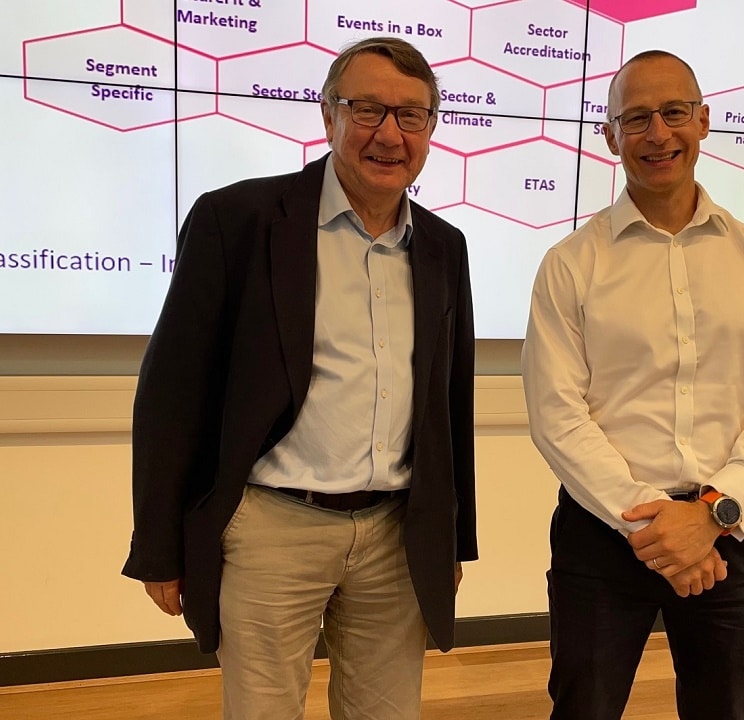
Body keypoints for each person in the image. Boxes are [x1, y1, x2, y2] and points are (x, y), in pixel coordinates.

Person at [121, 36, 477, 720]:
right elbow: (171, 395)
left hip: (395, 535)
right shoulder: (239, 221)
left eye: (411, 116)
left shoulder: (442, 246)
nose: (388, 134)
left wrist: (450, 539)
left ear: (431, 129)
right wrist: (159, 548)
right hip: (271, 527)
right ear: (328, 115)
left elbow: (446, 406)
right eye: (366, 109)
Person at [521, 50, 744, 720]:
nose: (658, 134)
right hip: (603, 534)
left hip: (729, 536)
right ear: (611, 135)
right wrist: (659, 528)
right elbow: (556, 416)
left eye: (673, 113)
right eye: (637, 119)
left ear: (703, 120)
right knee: (582, 709)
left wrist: (708, 515)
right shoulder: (570, 266)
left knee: (728, 709)